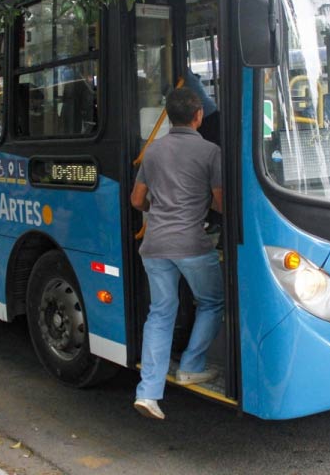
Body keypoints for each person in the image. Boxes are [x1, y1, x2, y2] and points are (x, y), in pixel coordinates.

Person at [130, 87, 224, 420]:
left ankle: (148, 393)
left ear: (169, 117)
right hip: (190, 245)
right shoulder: (211, 151)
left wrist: (161, 207)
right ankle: (191, 366)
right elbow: (221, 202)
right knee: (213, 300)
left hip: (154, 245)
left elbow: (137, 200)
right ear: (198, 116)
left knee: (161, 313)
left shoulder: (153, 151)